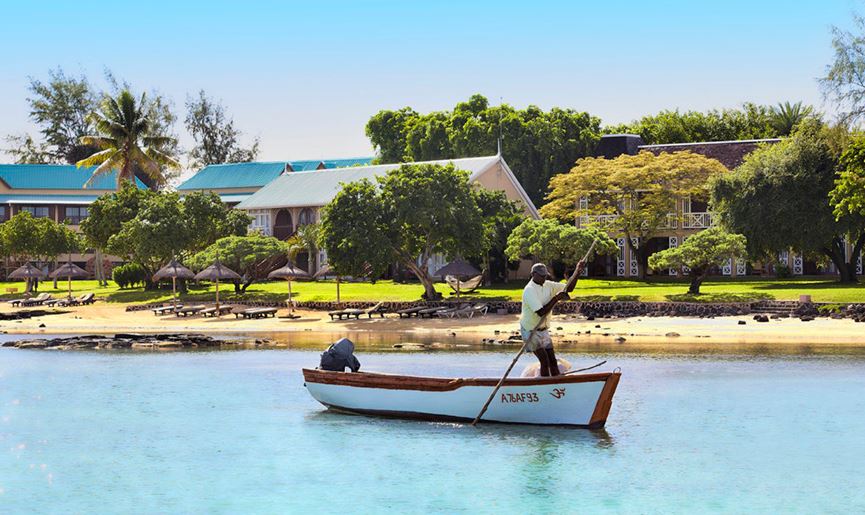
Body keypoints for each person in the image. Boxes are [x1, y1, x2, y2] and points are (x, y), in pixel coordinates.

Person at [520, 262, 581, 376]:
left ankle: (556, 383)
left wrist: (577, 271)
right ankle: (544, 384)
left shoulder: (548, 285)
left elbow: (569, 288)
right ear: (533, 274)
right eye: (541, 275)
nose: (544, 278)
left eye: (545, 275)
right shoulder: (529, 290)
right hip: (530, 330)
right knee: (545, 361)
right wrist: (556, 298)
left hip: (543, 330)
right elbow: (541, 312)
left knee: (553, 361)